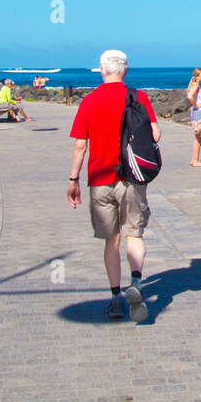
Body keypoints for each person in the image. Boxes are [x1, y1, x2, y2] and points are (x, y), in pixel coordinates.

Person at [67, 49, 159, 322]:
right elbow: (154, 133)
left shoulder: (89, 101)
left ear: (101, 70)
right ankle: (137, 283)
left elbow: (80, 144)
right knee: (134, 235)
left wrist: (73, 180)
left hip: (100, 179)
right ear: (125, 70)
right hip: (132, 178)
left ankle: (116, 298)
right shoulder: (137, 97)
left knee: (112, 239)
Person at [186, 68, 201, 167]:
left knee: (199, 137)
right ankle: (195, 160)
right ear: (197, 76)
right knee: (200, 137)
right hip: (198, 114)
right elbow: (190, 96)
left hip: (197, 113)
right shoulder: (196, 85)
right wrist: (196, 106)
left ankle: (194, 159)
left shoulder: (194, 84)